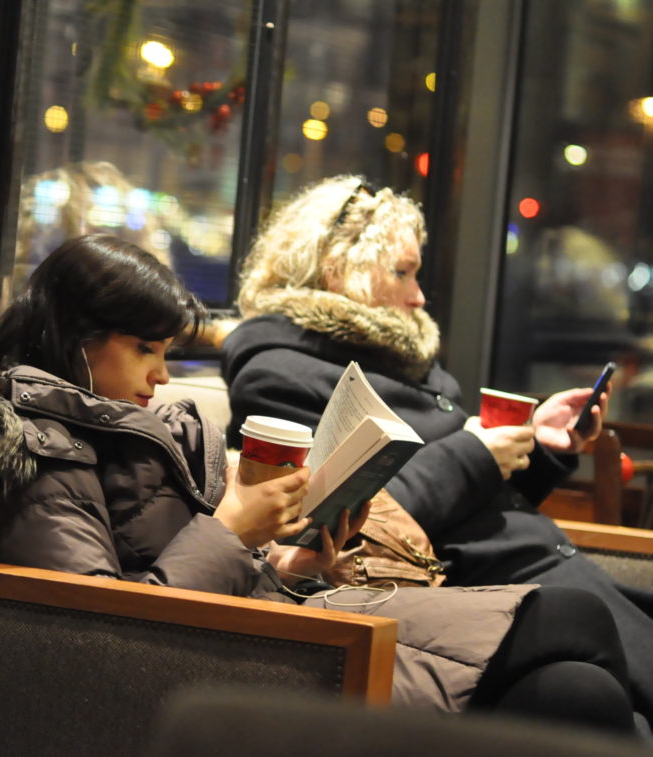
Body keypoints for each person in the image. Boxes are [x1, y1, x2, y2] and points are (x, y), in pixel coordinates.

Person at [0, 233, 642, 735]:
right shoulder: (28, 450)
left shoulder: (121, 426)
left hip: (272, 619)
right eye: (145, 349)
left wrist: (287, 561)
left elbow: (182, 567)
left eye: (167, 352)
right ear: (76, 339)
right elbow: (104, 634)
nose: (161, 375)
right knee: (572, 634)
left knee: (582, 686)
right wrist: (233, 528)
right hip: (233, 665)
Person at [221, 175, 653, 726]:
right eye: (402, 272)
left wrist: (540, 447)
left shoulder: (399, 359)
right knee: (599, 699)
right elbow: (359, 519)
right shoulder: (280, 373)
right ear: (337, 270)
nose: (419, 295)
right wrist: (476, 452)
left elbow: (477, 502)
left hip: (532, 565)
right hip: (467, 590)